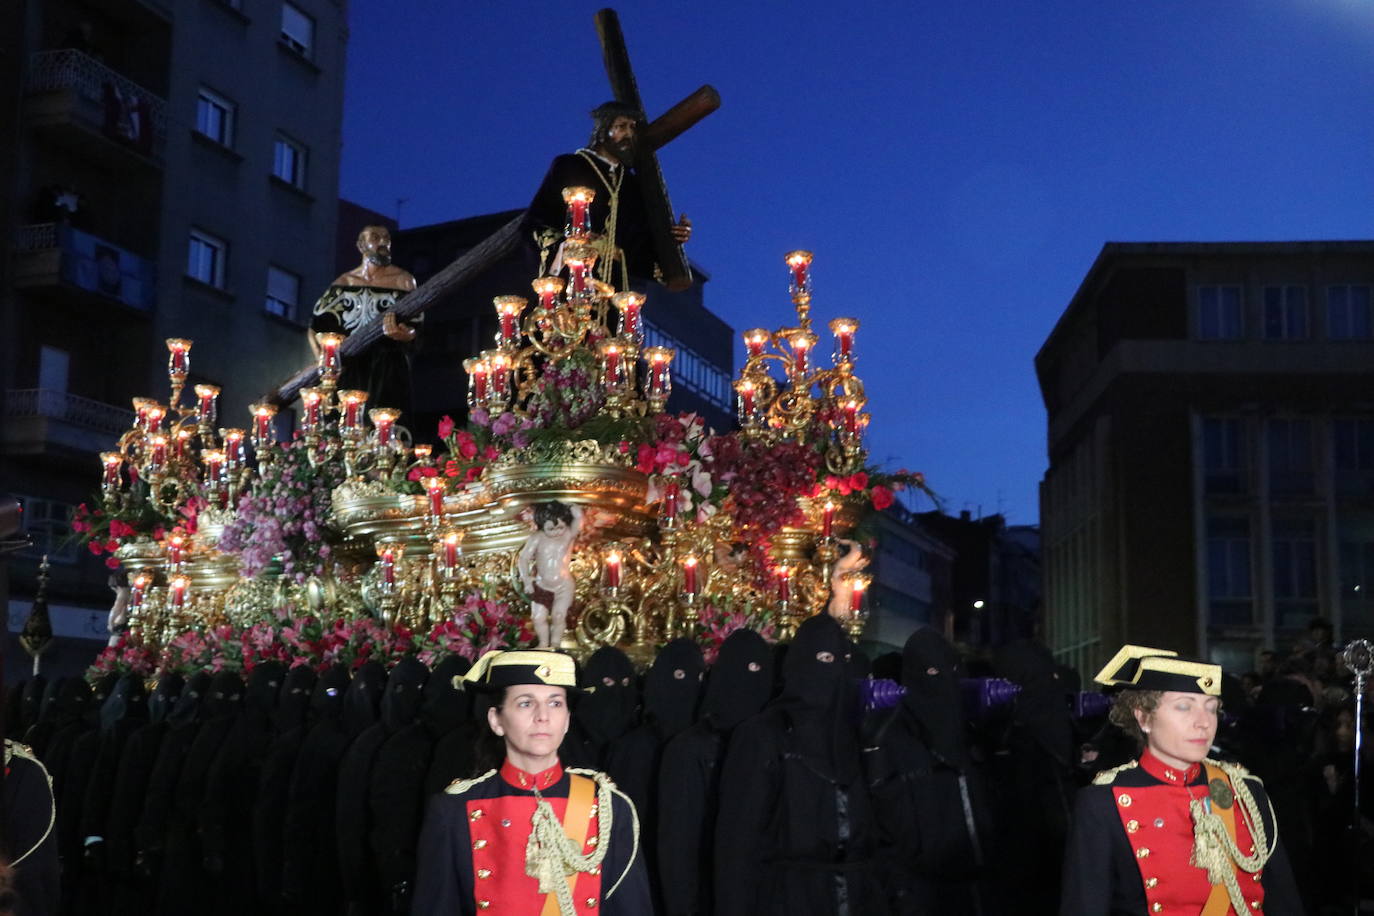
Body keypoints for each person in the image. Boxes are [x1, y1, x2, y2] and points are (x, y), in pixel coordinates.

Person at [1060, 645, 1304, 916]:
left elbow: (1284, 902)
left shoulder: (1246, 790)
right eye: (1184, 707)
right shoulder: (1102, 803)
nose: (1204, 723)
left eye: (1211, 709)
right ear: (1143, 717)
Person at [413, 649, 650, 915]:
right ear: (496, 720)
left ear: (567, 720)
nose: (543, 716)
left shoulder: (609, 807)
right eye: (526, 703)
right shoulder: (453, 810)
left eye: (555, 703)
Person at [524, 101, 691, 289]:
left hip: (612, 290)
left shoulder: (632, 185)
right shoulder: (570, 165)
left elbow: (639, 244)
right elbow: (536, 223)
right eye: (621, 126)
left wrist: (672, 238)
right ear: (602, 131)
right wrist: (568, 245)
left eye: (632, 128)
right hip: (569, 281)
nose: (628, 134)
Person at [309, 225, 419, 414]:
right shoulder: (344, 284)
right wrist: (326, 361)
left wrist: (405, 335)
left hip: (387, 368)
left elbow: (418, 326)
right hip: (349, 368)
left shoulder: (404, 281)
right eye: (375, 238)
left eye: (386, 238)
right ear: (361, 245)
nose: (383, 242)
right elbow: (316, 328)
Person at [517, 501, 583, 648]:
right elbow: (523, 558)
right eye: (551, 529)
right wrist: (527, 580)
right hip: (542, 584)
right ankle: (543, 643)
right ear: (541, 525)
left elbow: (578, 520)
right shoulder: (537, 538)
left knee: (558, 616)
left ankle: (555, 644)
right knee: (537, 618)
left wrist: (572, 507)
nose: (556, 532)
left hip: (563, 585)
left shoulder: (567, 534)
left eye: (560, 527)